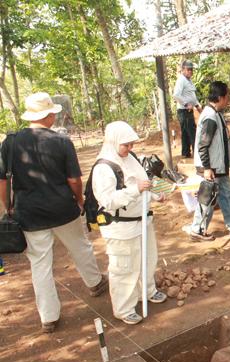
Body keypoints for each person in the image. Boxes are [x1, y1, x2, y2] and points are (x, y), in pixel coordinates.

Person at [0, 92, 107, 333]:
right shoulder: (61, 142)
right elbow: (73, 179)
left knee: (39, 263)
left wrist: (8, 206)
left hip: (29, 212)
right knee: (80, 246)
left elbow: (3, 181)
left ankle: (49, 317)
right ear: (49, 116)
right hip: (62, 208)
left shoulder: (11, 142)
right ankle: (95, 283)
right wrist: (79, 200)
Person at [91, 121, 167, 325]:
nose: (130, 148)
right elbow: (108, 201)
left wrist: (154, 196)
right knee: (124, 267)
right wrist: (136, 191)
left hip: (142, 219)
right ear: (114, 142)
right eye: (126, 145)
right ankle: (124, 307)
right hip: (120, 227)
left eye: (131, 144)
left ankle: (147, 290)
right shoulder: (103, 167)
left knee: (147, 257)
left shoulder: (131, 158)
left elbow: (142, 184)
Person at [190, 81, 230, 241]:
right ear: (220, 97)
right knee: (208, 198)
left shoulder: (215, 113)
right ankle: (197, 229)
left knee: (228, 195)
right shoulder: (210, 117)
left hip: (219, 166)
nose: (229, 99)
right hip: (212, 167)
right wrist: (207, 168)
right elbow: (203, 145)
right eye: (227, 96)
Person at [173, 60, 201, 158]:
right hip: (184, 111)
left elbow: (191, 95)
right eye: (188, 69)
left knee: (185, 132)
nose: (190, 71)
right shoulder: (181, 80)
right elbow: (176, 95)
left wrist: (197, 105)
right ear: (183, 69)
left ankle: (185, 153)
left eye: (191, 69)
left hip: (188, 110)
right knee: (192, 132)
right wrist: (186, 104)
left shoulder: (188, 80)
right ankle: (197, 154)